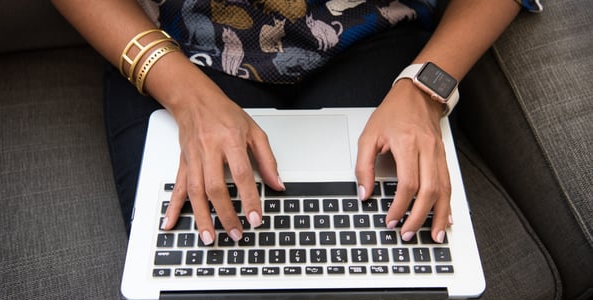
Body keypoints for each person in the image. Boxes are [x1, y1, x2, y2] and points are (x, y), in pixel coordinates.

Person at [51, 0, 541, 246]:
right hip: (180, 43)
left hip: (376, 33)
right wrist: (187, 96)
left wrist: (424, 87)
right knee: (205, 273)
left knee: (391, 268)